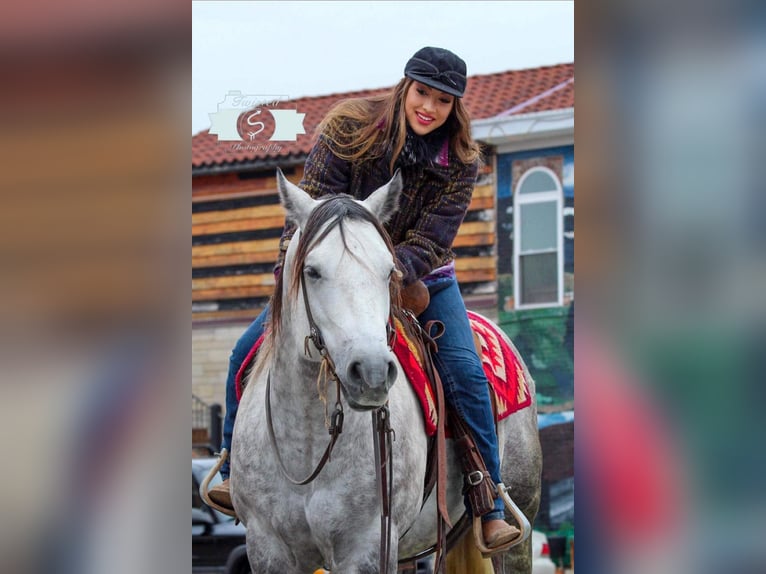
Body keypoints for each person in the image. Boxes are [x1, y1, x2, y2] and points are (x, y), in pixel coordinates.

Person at [209, 46, 518, 549]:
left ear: (454, 107)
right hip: (328, 275)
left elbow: (433, 238)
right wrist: (306, 271)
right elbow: (312, 206)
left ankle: (489, 500)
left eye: (443, 101)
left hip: (419, 278)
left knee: (465, 371)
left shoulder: (460, 161)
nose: (429, 108)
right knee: (243, 353)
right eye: (423, 93)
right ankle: (230, 469)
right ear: (405, 86)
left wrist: (385, 278)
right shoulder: (347, 128)